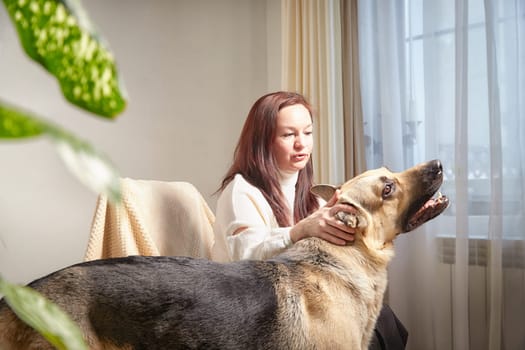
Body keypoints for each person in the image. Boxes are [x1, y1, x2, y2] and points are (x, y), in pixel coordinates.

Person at [212, 91, 408, 349]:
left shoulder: (311, 195)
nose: (301, 144)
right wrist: (299, 230)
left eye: (307, 132)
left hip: (297, 304)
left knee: (381, 317)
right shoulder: (240, 191)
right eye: (288, 134)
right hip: (253, 308)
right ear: (263, 141)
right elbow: (244, 254)